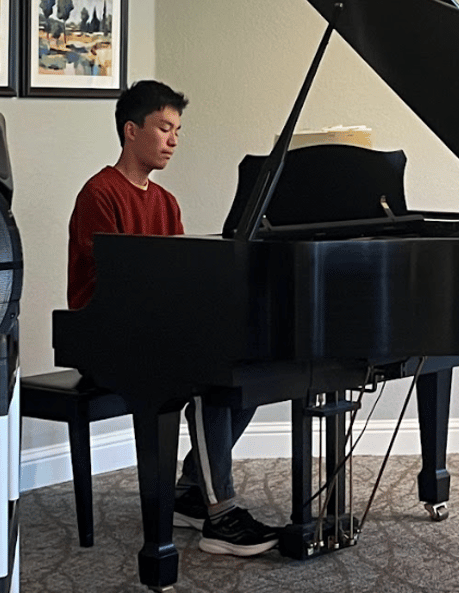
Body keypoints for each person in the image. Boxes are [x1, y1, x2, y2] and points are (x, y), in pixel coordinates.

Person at [67, 79, 278, 557]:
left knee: (248, 372)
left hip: (154, 331)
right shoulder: (99, 193)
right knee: (206, 376)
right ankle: (221, 516)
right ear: (131, 130)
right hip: (107, 336)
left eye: (177, 131)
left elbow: (177, 277)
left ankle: (191, 488)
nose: (174, 140)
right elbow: (115, 283)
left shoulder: (166, 203)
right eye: (164, 128)